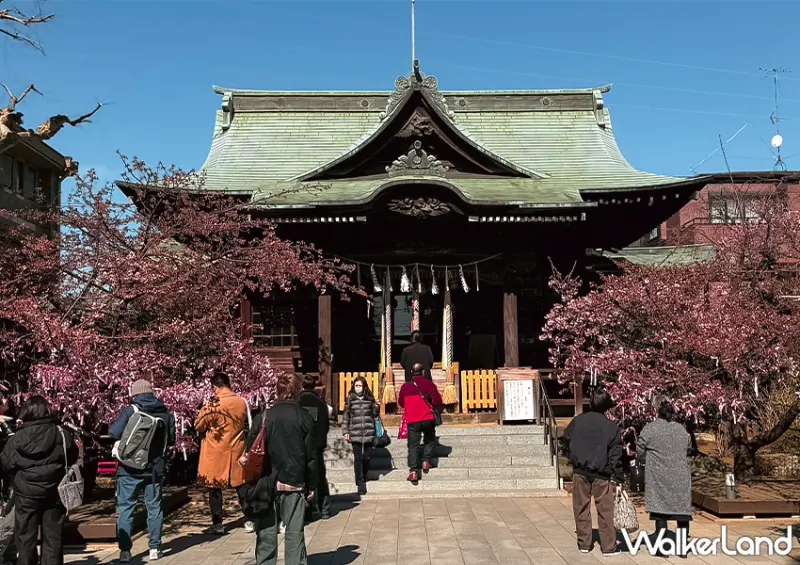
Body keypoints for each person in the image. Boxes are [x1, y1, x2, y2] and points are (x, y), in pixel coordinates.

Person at [243, 372, 316, 565]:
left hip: (266, 481)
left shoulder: (264, 417)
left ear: (278, 390)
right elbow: (311, 457)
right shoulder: (305, 418)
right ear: (298, 391)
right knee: (294, 532)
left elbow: (251, 449)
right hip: (294, 480)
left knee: (266, 532)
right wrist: (312, 484)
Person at [0, 395, 78, 565]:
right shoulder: (61, 434)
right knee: (53, 537)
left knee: (25, 537)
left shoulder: (15, 439)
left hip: (25, 493)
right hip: (54, 491)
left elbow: (6, 463)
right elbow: (71, 456)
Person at [109, 380, 176, 563]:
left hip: (129, 468)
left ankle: (125, 551)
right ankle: (154, 548)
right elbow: (170, 441)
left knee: (126, 509)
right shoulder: (166, 413)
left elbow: (114, 432)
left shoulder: (132, 410)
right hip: (154, 469)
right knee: (154, 508)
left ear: (134, 394)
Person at [562, 387, 624, 557]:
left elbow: (566, 438)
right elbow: (615, 454)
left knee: (580, 507)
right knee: (605, 510)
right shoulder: (610, 427)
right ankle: (608, 546)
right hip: (602, 472)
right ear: (606, 406)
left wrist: (572, 456)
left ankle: (584, 543)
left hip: (580, 470)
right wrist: (618, 477)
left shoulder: (578, 421)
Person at [195, 370, 252, 534]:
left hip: (215, 451)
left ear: (215, 387)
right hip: (237, 449)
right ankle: (249, 520)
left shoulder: (212, 404)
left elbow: (199, 425)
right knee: (241, 485)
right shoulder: (242, 402)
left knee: (214, 487)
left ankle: (218, 523)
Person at [637, 396, 693, 553]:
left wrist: (646, 460)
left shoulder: (650, 429)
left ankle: (661, 548)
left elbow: (640, 450)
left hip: (658, 476)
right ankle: (682, 549)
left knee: (660, 512)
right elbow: (688, 449)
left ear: (656, 409)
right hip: (681, 476)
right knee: (682, 514)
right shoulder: (681, 429)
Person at [398, 363, 442, 484]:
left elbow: (401, 402)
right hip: (427, 417)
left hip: (412, 419)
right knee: (429, 439)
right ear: (422, 372)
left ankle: (413, 471)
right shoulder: (429, 385)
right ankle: (426, 460)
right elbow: (437, 400)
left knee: (413, 446)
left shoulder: (405, 387)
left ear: (411, 373)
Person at [297, 374, 330, 520]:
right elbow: (325, 426)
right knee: (320, 478)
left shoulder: (297, 402)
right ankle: (325, 509)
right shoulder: (321, 404)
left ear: (302, 386)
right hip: (316, 446)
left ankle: (308, 510)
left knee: (304, 478)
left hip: (300, 446)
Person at [341, 376, 379, 496]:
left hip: (368, 431)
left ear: (364, 386)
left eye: (360, 386)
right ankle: (360, 482)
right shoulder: (350, 399)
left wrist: (377, 407)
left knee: (367, 456)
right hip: (355, 431)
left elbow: (375, 415)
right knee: (358, 458)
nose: (358, 388)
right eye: (356, 385)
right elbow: (346, 416)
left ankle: (364, 473)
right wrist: (345, 431)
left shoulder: (369, 398)